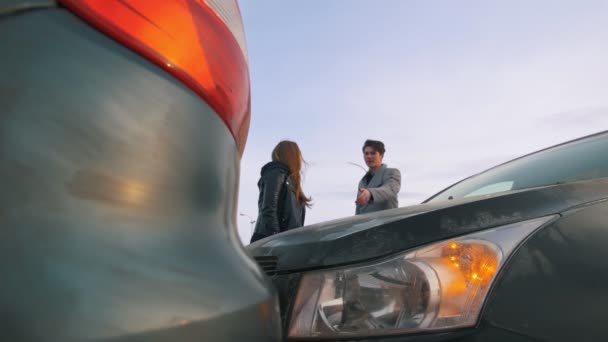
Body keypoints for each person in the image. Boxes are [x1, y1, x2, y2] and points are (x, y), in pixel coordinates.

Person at [250, 140, 312, 243]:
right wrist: (277, 240)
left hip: (286, 242)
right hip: (271, 242)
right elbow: (269, 210)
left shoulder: (292, 181)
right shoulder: (276, 173)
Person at [355, 139, 401, 215]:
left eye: (373, 153)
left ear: (381, 155)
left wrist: (370, 193)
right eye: (366, 153)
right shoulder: (362, 182)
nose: (369, 156)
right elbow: (359, 208)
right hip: (367, 225)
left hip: (386, 224)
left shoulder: (392, 172)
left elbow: (389, 189)